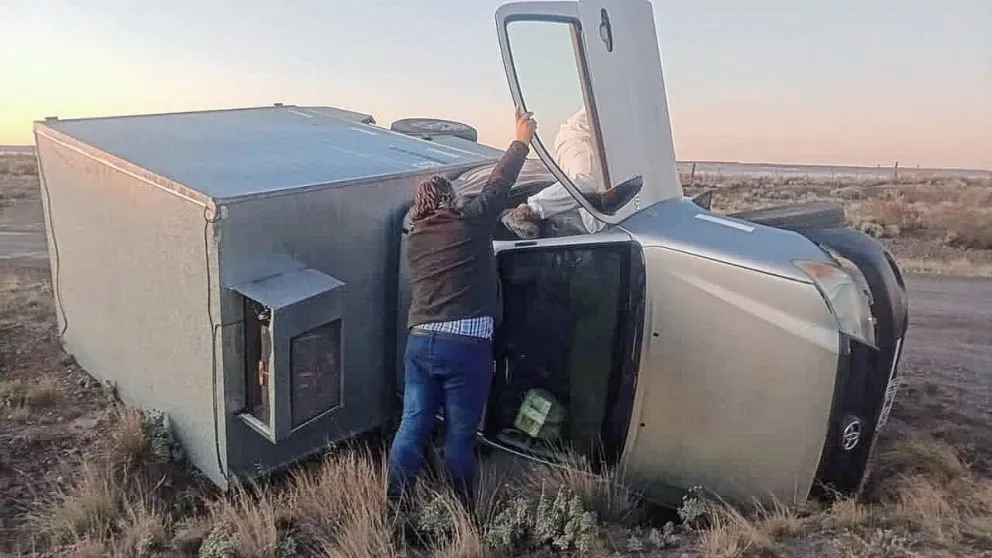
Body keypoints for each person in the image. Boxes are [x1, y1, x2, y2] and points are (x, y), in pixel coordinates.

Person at [387, 108, 537, 511]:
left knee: (412, 426)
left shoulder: (415, 239)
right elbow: (499, 184)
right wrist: (520, 139)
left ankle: (395, 507)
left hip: (420, 344)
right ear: (451, 200)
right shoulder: (469, 223)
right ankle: (462, 511)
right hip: (464, 347)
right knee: (460, 435)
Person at [501, 106, 607, 238]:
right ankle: (526, 211)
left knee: (594, 221)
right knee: (586, 184)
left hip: (597, 148)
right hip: (578, 138)